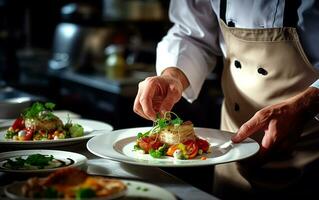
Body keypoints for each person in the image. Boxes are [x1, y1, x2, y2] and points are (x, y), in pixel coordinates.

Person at [133, 0, 319, 199]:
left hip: (310, 148)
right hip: (229, 148)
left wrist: (306, 104)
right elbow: (192, 34)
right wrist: (172, 76)